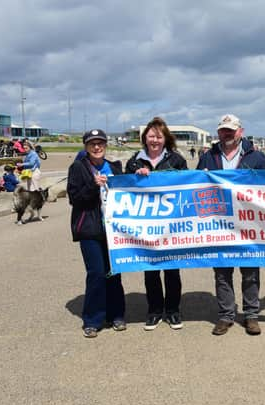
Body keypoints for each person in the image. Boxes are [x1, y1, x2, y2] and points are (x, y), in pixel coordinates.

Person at [196, 114, 265, 336]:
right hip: (219, 224)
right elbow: (195, 186)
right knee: (222, 272)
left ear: (241, 131)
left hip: (248, 224)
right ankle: (226, 315)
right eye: (222, 130)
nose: (226, 133)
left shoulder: (257, 157)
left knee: (250, 271)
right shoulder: (208, 157)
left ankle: (251, 315)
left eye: (231, 130)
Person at [125, 117, 188, 331]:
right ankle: (154, 311)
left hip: (170, 226)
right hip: (145, 227)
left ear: (165, 139)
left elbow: (187, 186)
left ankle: (172, 311)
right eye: (151, 136)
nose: (155, 140)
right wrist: (135, 176)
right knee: (150, 270)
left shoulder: (177, 160)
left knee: (172, 270)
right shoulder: (134, 161)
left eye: (159, 136)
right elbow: (123, 189)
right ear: (145, 138)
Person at [67, 129, 126, 338]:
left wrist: (140, 176)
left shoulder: (115, 167)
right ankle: (92, 319)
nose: (97, 147)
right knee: (96, 274)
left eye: (100, 143)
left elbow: (129, 190)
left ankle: (116, 315)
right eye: (92, 144)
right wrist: (94, 185)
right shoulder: (78, 168)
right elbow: (75, 198)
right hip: (90, 230)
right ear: (86, 147)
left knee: (114, 273)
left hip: (114, 230)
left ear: (105, 145)